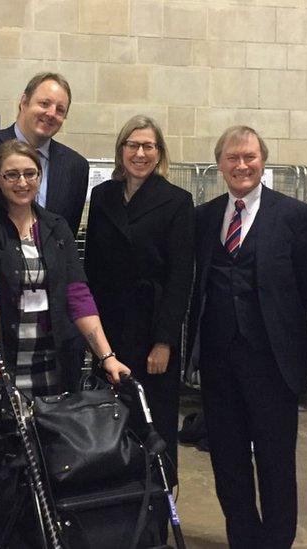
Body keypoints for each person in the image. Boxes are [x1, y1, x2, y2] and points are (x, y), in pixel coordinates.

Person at [0, 139, 130, 549]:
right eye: (12, 174)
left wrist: (106, 354)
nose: (22, 182)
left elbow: (78, 295)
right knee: (0, 470)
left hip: (52, 364)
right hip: (5, 363)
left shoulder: (55, 227)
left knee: (50, 464)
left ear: (41, 176)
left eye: (30, 173)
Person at [187, 125, 307, 548]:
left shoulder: (294, 216)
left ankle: (277, 541)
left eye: (250, 157)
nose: (242, 165)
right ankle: (243, 538)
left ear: (263, 160)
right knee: (228, 461)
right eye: (232, 158)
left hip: (272, 362)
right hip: (219, 361)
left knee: (277, 462)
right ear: (219, 163)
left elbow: (306, 292)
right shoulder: (205, 218)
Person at [83, 115, 193, 490]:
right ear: (121, 150)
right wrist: (92, 336)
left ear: (159, 152)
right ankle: (116, 510)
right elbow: (92, 267)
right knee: (112, 422)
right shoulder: (102, 197)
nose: (140, 153)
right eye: (132, 145)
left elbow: (181, 278)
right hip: (110, 329)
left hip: (152, 331)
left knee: (154, 423)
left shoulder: (178, 201)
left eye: (148, 146)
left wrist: (165, 341)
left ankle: (158, 512)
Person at [0, 71, 89, 235]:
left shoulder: (76, 167)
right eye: (44, 103)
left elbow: (67, 235)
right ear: (24, 102)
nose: (51, 113)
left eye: (60, 110)